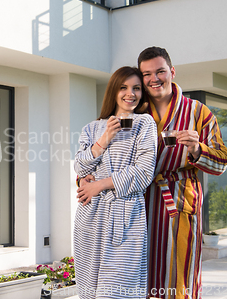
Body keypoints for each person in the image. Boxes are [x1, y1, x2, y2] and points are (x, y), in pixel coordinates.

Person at [138, 46, 227, 299]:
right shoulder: (135, 113)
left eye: (160, 71)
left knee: (180, 277)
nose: (154, 79)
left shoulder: (198, 112)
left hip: (178, 202)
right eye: (146, 74)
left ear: (172, 71)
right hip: (139, 204)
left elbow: (221, 162)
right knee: (139, 276)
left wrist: (197, 149)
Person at [74, 66, 157, 299]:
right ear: (113, 90)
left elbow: (143, 173)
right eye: (123, 87)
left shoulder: (144, 123)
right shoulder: (91, 128)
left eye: (136, 88)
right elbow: (80, 168)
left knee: (115, 292)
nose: (130, 94)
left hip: (126, 216)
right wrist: (104, 139)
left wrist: (98, 184)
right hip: (91, 217)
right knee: (90, 291)